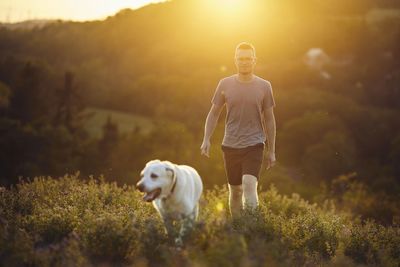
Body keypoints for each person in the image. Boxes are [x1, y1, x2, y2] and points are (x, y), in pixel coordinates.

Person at [200, 42, 276, 218]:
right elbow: (213, 114)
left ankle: (251, 228)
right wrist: (206, 139)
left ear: (254, 60)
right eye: (241, 59)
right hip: (230, 145)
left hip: (255, 144)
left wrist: (271, 150)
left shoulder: (265, 86)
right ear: (235, 60)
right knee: (235, 192)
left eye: (248, 59)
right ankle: (237, 229)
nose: (244, 62)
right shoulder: (224, 84)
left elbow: (270, 120)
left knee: (249, 185)